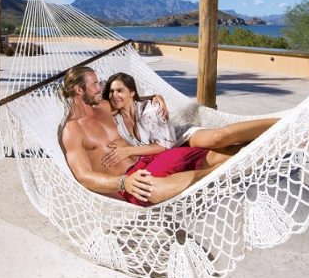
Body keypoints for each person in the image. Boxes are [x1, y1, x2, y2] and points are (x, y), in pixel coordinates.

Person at [59, 66, 227, 206]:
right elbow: (83, 176)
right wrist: (124, 182)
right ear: (79, 89)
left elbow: (128, 100)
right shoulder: (72, 130)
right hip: (131, 181)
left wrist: (154, 97)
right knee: (154, 190)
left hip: (148, 160)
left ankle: (247, 154)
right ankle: (221, 173)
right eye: (95, 84)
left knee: (211, 155)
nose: (100, 88)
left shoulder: (103, 106)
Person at [100, 72, 279, 169]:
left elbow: (165, 145)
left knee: (218, 138)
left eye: (120, 90)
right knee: (226, 153)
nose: (114, 95)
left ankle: (279, 124)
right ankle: (268, 146)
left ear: (131, 93)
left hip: (181, 139)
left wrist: (128, 151)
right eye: (111, 91)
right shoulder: (115, 118)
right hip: (167, 158)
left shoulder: (151, 110)